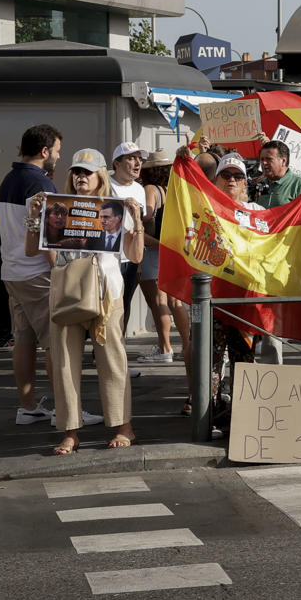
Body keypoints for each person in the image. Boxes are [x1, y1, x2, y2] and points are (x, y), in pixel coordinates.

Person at [49, 149, 141, 454]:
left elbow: (136, 255)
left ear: (100, 175)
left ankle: (123, 425)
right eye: (76, 171)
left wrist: (136, 219)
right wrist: (36, 218)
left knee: (112, 360)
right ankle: (71, 432)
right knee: (64, 363)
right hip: (69, 292)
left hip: (107, 292)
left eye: (86, 172)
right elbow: (36, 250)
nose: (80, 177)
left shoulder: (115, 209)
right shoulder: (59, 208)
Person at [0, 123, 75, 427]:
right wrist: (60, 268)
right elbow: (47, 236)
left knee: (24, 341)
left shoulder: (9, 179)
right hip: (38, 274)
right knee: (56, 343)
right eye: (57, 151)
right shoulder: (41, 184)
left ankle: (28, 407)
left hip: (12, 272)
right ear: (44, 151)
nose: (58, 156)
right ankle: (66, 413)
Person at [136, 153, 180, 365]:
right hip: (166, 247)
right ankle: (169, 347)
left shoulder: (150, 190)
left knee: (156, 302)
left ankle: (165, 348)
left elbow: (147, 215)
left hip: (151, 247)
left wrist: (136, 214)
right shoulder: (170, 189)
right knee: (166, 301)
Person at [107, 144, 148, 323]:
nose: (138, 162)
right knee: (106, 307)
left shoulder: (139, 189)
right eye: (131, 158)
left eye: (139, 158)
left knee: (124, 306)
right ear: (117, 163)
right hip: (108, 258)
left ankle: (119, 346)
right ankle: (102, 350)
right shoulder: (105, 185)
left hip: (130, 259)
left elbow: (139, 225)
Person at [257, 137, 301, 209]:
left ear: (283, 161)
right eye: (262, 159)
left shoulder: (300, 183)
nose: (264, 163)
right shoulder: (259, 184)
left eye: (269, 159)